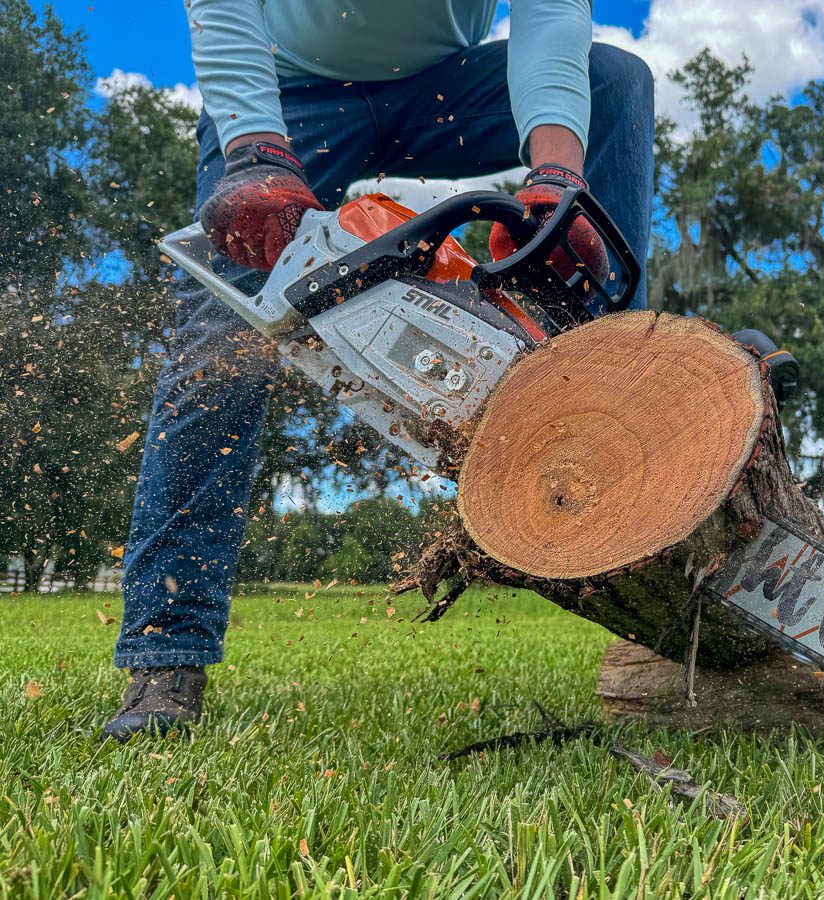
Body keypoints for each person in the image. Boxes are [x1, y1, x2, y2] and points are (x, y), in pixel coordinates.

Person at [102, 0, 654, 741]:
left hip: (442, 90)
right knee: (216, 350)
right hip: (285, 94)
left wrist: (559, 176)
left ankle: (622, 395)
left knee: (614, 80)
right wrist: (255, 148)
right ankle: (165, 654)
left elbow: (550, 11)